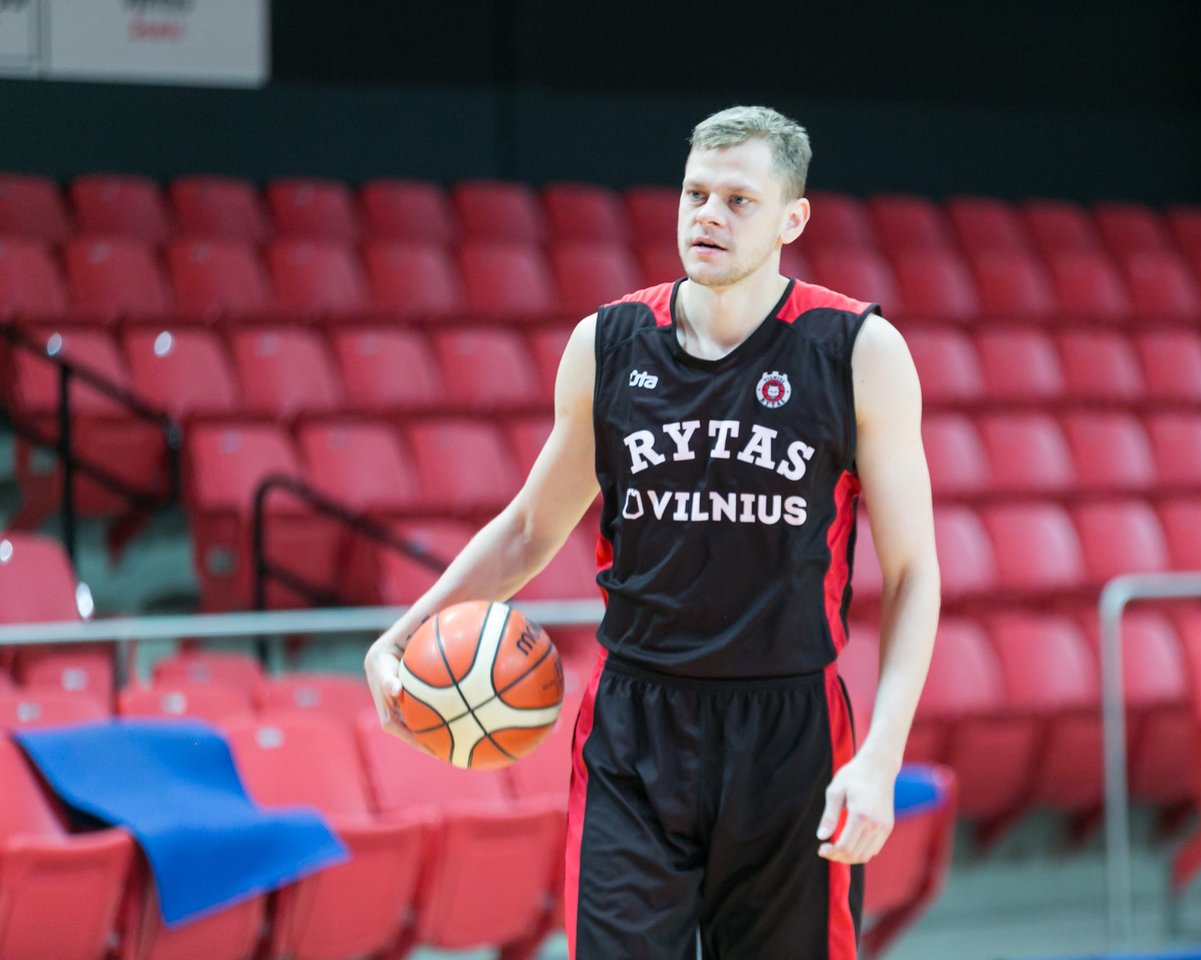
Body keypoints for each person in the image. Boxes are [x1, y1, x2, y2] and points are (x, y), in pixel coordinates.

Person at [365, 104, 939, 959]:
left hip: (789, 731)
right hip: (635, 731)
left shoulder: (857, 351)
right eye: (695, 194)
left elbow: (913, 573)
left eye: (738, 201)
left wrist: (882, 758)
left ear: (792, 220)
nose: (709, 215)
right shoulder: (608, 342)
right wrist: (403, 636)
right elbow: (529, 528)